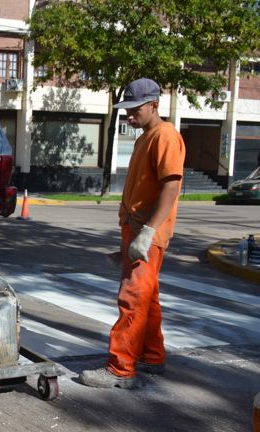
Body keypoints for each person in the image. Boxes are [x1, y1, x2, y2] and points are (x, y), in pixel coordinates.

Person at [79, 78, 185, 388]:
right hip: (137, 230)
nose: (129, 116)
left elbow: (171, 185)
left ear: (154, 105)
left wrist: (149, 231)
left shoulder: (165, 136)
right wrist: (128, 241)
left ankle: (120, 368)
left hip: (147, 232)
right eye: (126, 110)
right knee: (147, 298)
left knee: (132, 298)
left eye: (134, 110)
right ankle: (152, 356)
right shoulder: (144, 138)